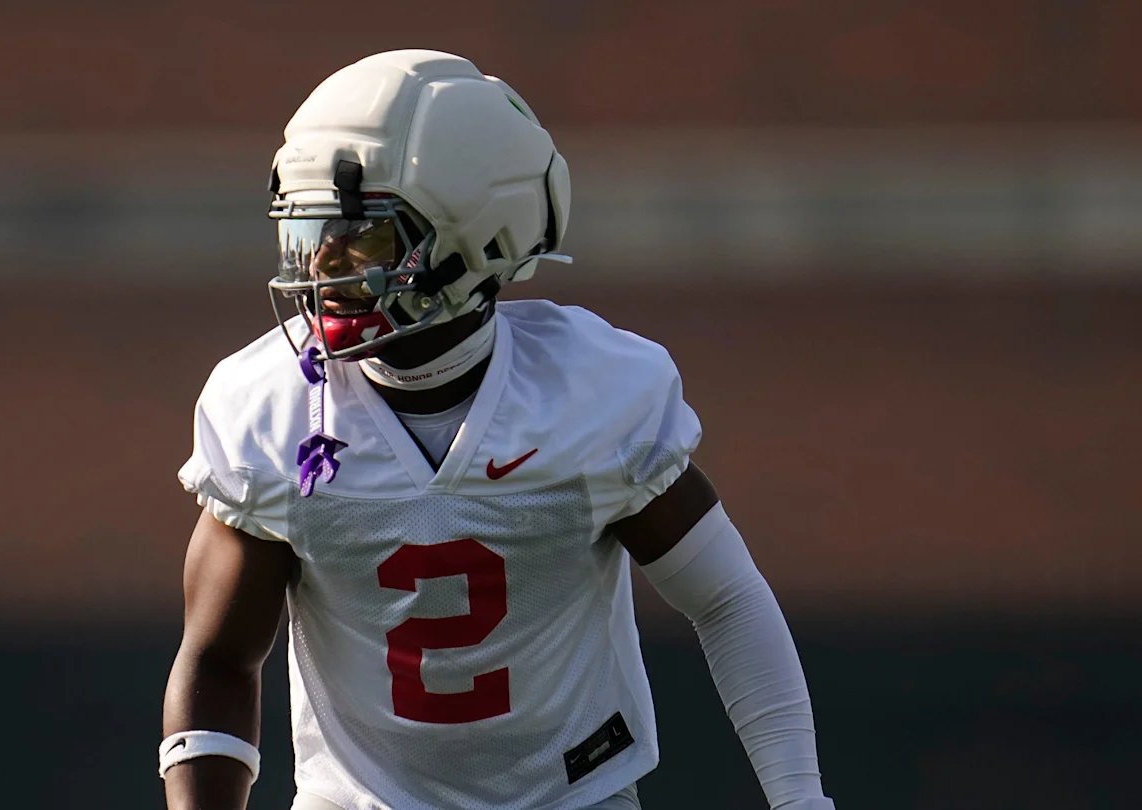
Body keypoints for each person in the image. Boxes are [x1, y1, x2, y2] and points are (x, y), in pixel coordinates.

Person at [161, 49, 834, 810]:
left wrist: (800, 799)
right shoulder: (272, 413)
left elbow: (728, 601)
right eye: (312, 228)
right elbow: (217, 661)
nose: (323, 262)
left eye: (363, 234)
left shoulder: (590, 398)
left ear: (473, 238)